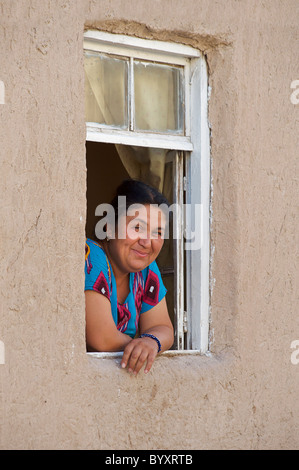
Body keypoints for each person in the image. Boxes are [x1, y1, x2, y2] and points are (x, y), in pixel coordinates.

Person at [85, 179, 174, 375]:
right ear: (108, 226)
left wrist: (151, 342)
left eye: (157, 232)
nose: (146, 242)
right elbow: (102, 338)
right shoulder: (91, 256)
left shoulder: (147, 268)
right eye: (137, 228)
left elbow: (162, 327)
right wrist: (141, 347)